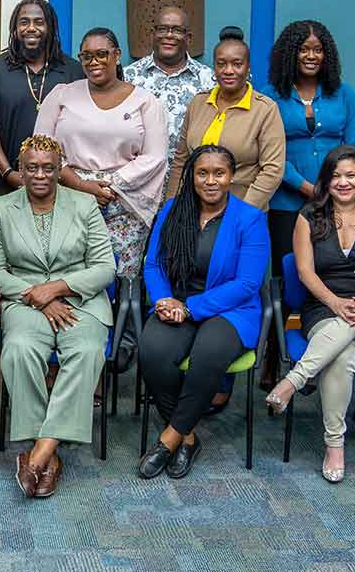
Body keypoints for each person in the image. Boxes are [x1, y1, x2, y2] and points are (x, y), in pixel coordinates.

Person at [0, 134, 116, 498]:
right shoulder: (1, 208)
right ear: (20, 171)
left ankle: (41, 450)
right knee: (20, 350)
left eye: (48, 167)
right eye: (31, 168)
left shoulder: (85, 205)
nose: (40, 174)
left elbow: (105, 267)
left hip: (80, 301)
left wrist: (58, 288)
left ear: (60, 170)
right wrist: (38, 296)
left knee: (87, 352)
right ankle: (48, 452)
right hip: (26, 302)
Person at [264, 146, 355, 483]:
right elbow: (305, 273)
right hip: (322, 306)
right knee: (341, 355)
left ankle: (294, 380)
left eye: (350, 175)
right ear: (325, 180)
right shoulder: (308, 217)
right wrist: (337, 302)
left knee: (346, 334)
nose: (343, 182)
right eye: (335, 176)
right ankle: (334, 445)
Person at [138, 145, 269, 480]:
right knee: (152, 352)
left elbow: (247, 284)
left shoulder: (249, 219)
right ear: (191, 176)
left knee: (208, 354)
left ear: (232, 176)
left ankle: (168, 439)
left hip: (231, 310)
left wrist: (190, 307)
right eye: (202, 173)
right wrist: (165, 301)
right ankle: (189, 437)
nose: (211, 181)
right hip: (177, 304)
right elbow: (153, 264)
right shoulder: (172, 210)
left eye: (219, 173)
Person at [34, 27, 167, 279]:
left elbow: (155, 156)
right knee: (68, 276)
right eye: (86, 56)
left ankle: (118, 319)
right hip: (68, 197)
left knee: (119, 280)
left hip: (123, 203)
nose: (94, 62)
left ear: (117, 55)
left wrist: (107, 187)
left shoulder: (146, 102)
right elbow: (40, 149)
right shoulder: (62, 95)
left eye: (102, 54)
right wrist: (82, 185)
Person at [260, 20, 355, 270]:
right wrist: (307, 187)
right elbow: (269, 153)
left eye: (318, 50)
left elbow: (353, 146)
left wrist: (332, 187)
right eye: (303, 49)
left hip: (337, 200)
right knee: (288, 271)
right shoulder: (270, 96)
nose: (311, 56)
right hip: (285, 203)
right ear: (290, 54)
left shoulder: (344, 94)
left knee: (333, 269)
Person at [166, 27, 284, 211]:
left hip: (243, 211)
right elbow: (181, 161)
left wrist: (243, 213)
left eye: (237, 64)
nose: (228, 70)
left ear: (248, 67)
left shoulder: (265, 109)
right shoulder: (198, 103)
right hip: (194, 211)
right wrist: (171, 207)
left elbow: (272, 170)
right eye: (221, 64)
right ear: (214, 67)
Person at [0, 0, 84, 196]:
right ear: (15, 28)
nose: (31, 28)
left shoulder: (73, 70)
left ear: (51, 27)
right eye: (24, 22)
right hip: (8, 184)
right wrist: (8, 172)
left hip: (63, 186)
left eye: (39, 22)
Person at [123, 6, 215, 172]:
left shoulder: (208, 80)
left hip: (190, 182)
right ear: (152, 34)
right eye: (162, 29)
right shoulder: (128, 77)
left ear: (188, 38)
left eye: (177, 30)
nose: (169, 35)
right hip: (137, 182)